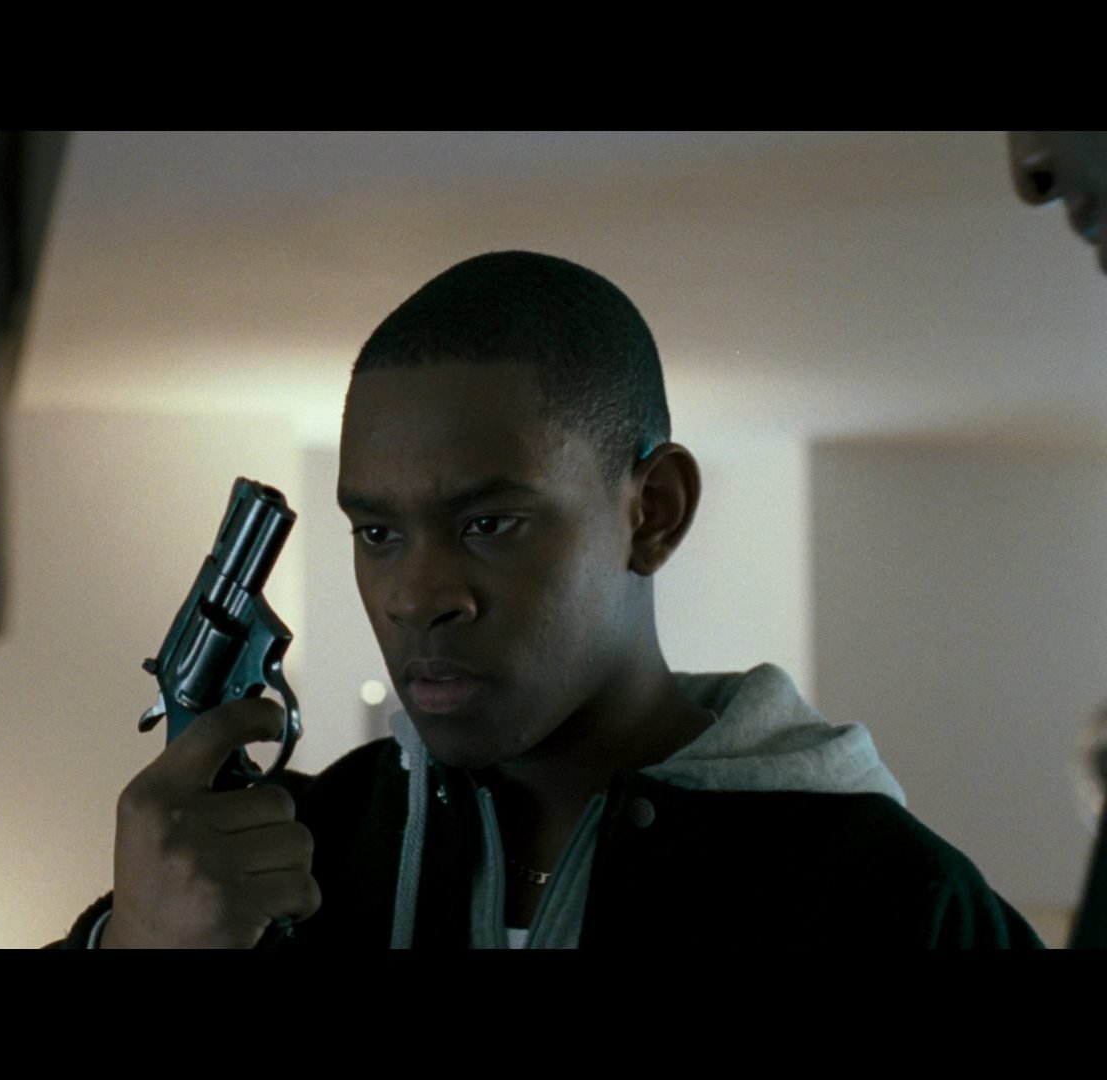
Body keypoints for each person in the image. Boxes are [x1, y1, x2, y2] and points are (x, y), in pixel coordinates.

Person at [54, 250, 1042, 949]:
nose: (415, 597)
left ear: (652, 512)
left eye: (490, 523)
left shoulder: (892, 900)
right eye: (377, 533)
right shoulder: (286, 862)